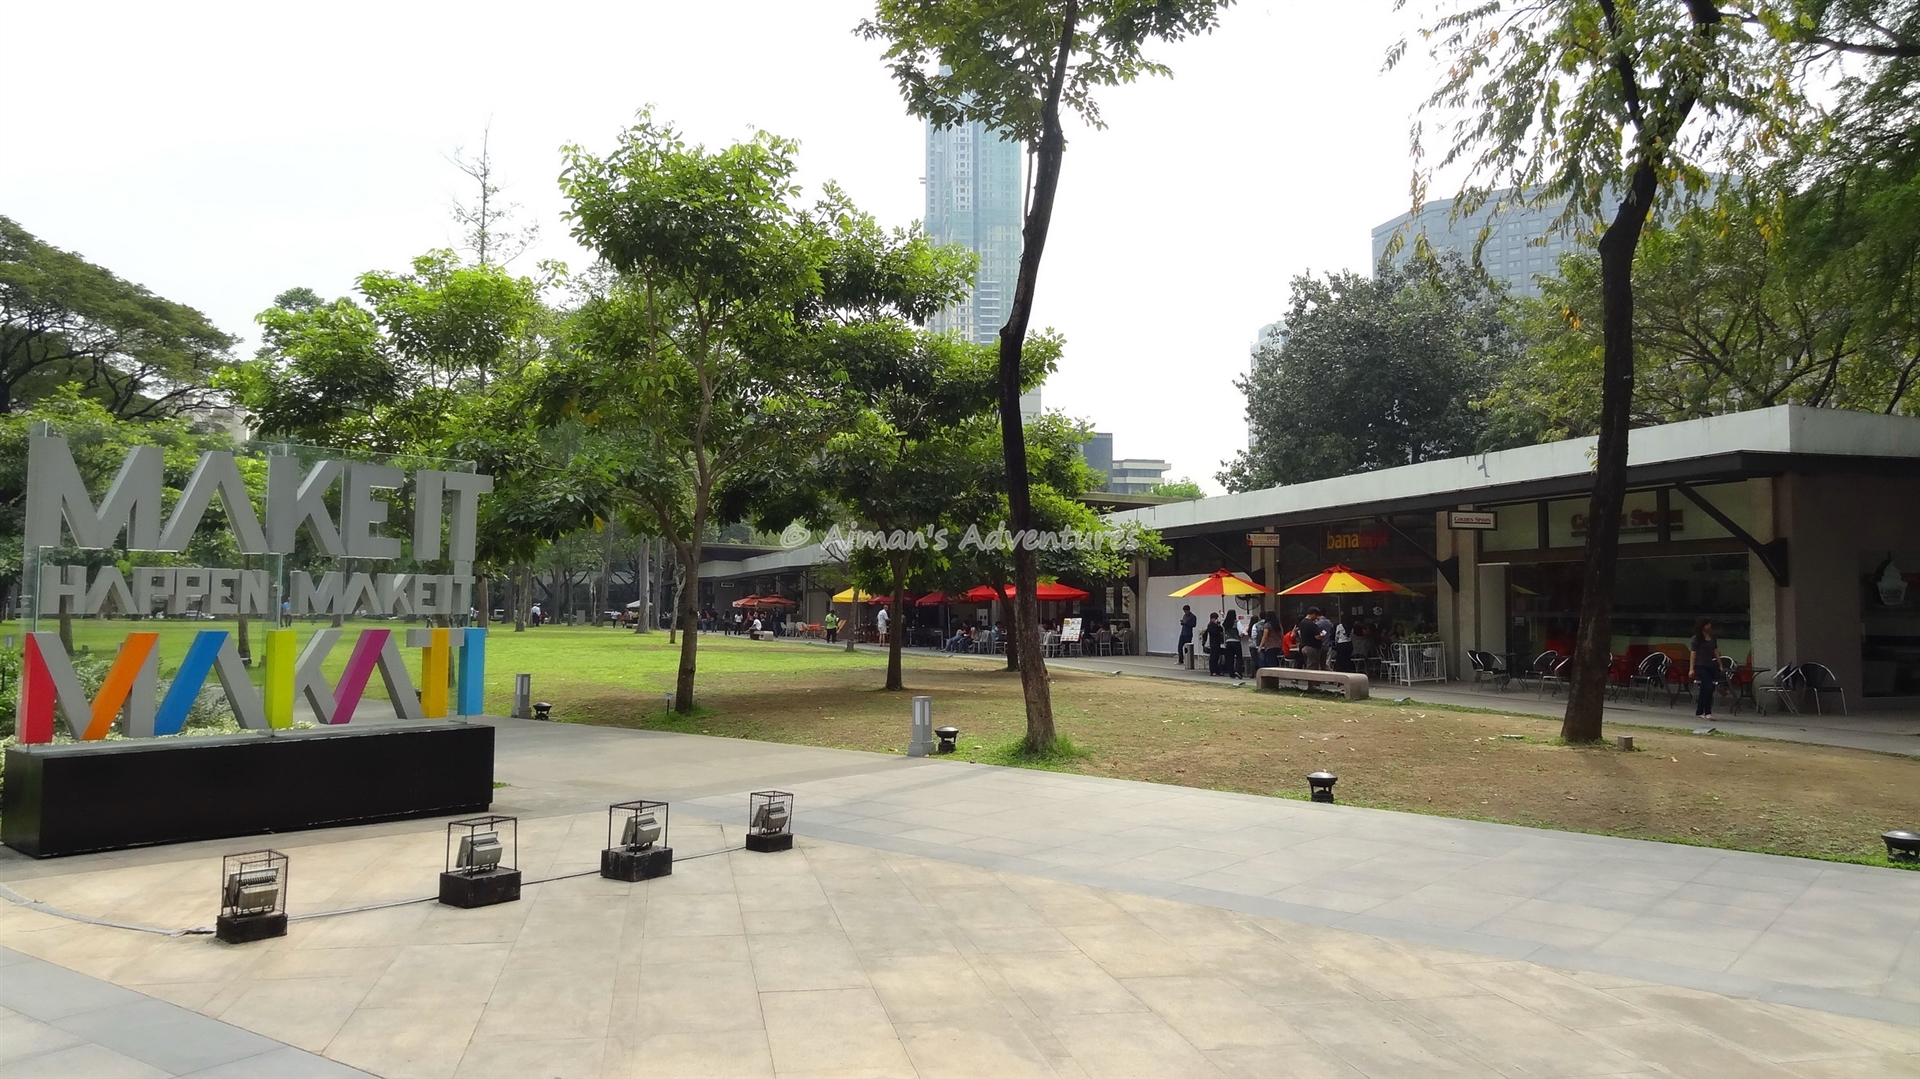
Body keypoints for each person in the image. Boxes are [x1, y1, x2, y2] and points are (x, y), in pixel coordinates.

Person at [1689, 617, 1721, 720]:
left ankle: (1699, 711)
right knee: (1708, 687)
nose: (1709, 626)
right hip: (1700, 665)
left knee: (1704, 688)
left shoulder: (1712, 637)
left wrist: (1720, 664)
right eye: (1707, 624)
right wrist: (1691, 668)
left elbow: (1715, 651)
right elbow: (1693, 654)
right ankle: (1708, 711)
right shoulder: (1697, 638)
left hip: (1710, 665)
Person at [1222, 610, 1244, 678]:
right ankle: (1238, 671)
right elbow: (1241, 632)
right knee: (1239, 657)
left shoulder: (1225, 623)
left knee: (1230, 658)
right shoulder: (1237, 622)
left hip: (1228, 642)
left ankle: (1231, 673)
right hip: (1236, 641)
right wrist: (1241, 635)